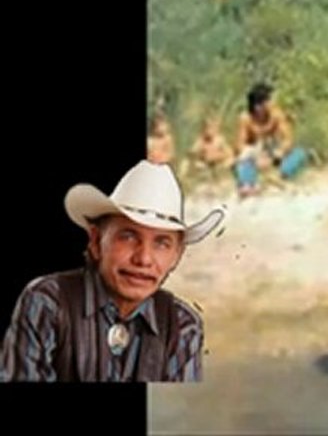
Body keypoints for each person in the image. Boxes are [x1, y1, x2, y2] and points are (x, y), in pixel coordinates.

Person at [0, 160, 226, 382]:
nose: (144, 259)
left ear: (176, 256)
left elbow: (176, 416)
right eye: (128, 237)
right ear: (97, 241)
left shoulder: (182, 325)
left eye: (162, 243)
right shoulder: (47, 303)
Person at [233, 83, 307, 198]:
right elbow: (240, 146)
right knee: (241, 162)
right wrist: (256, 157)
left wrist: (278, 153)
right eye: (269, 100)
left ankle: (281, 177)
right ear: (259, 106)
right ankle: (248, 185)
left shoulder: (276, 115)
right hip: (253, 154)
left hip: (273, 153)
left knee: (300, 154)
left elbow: (288, 139)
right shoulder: (246, 119)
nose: (273, 103)